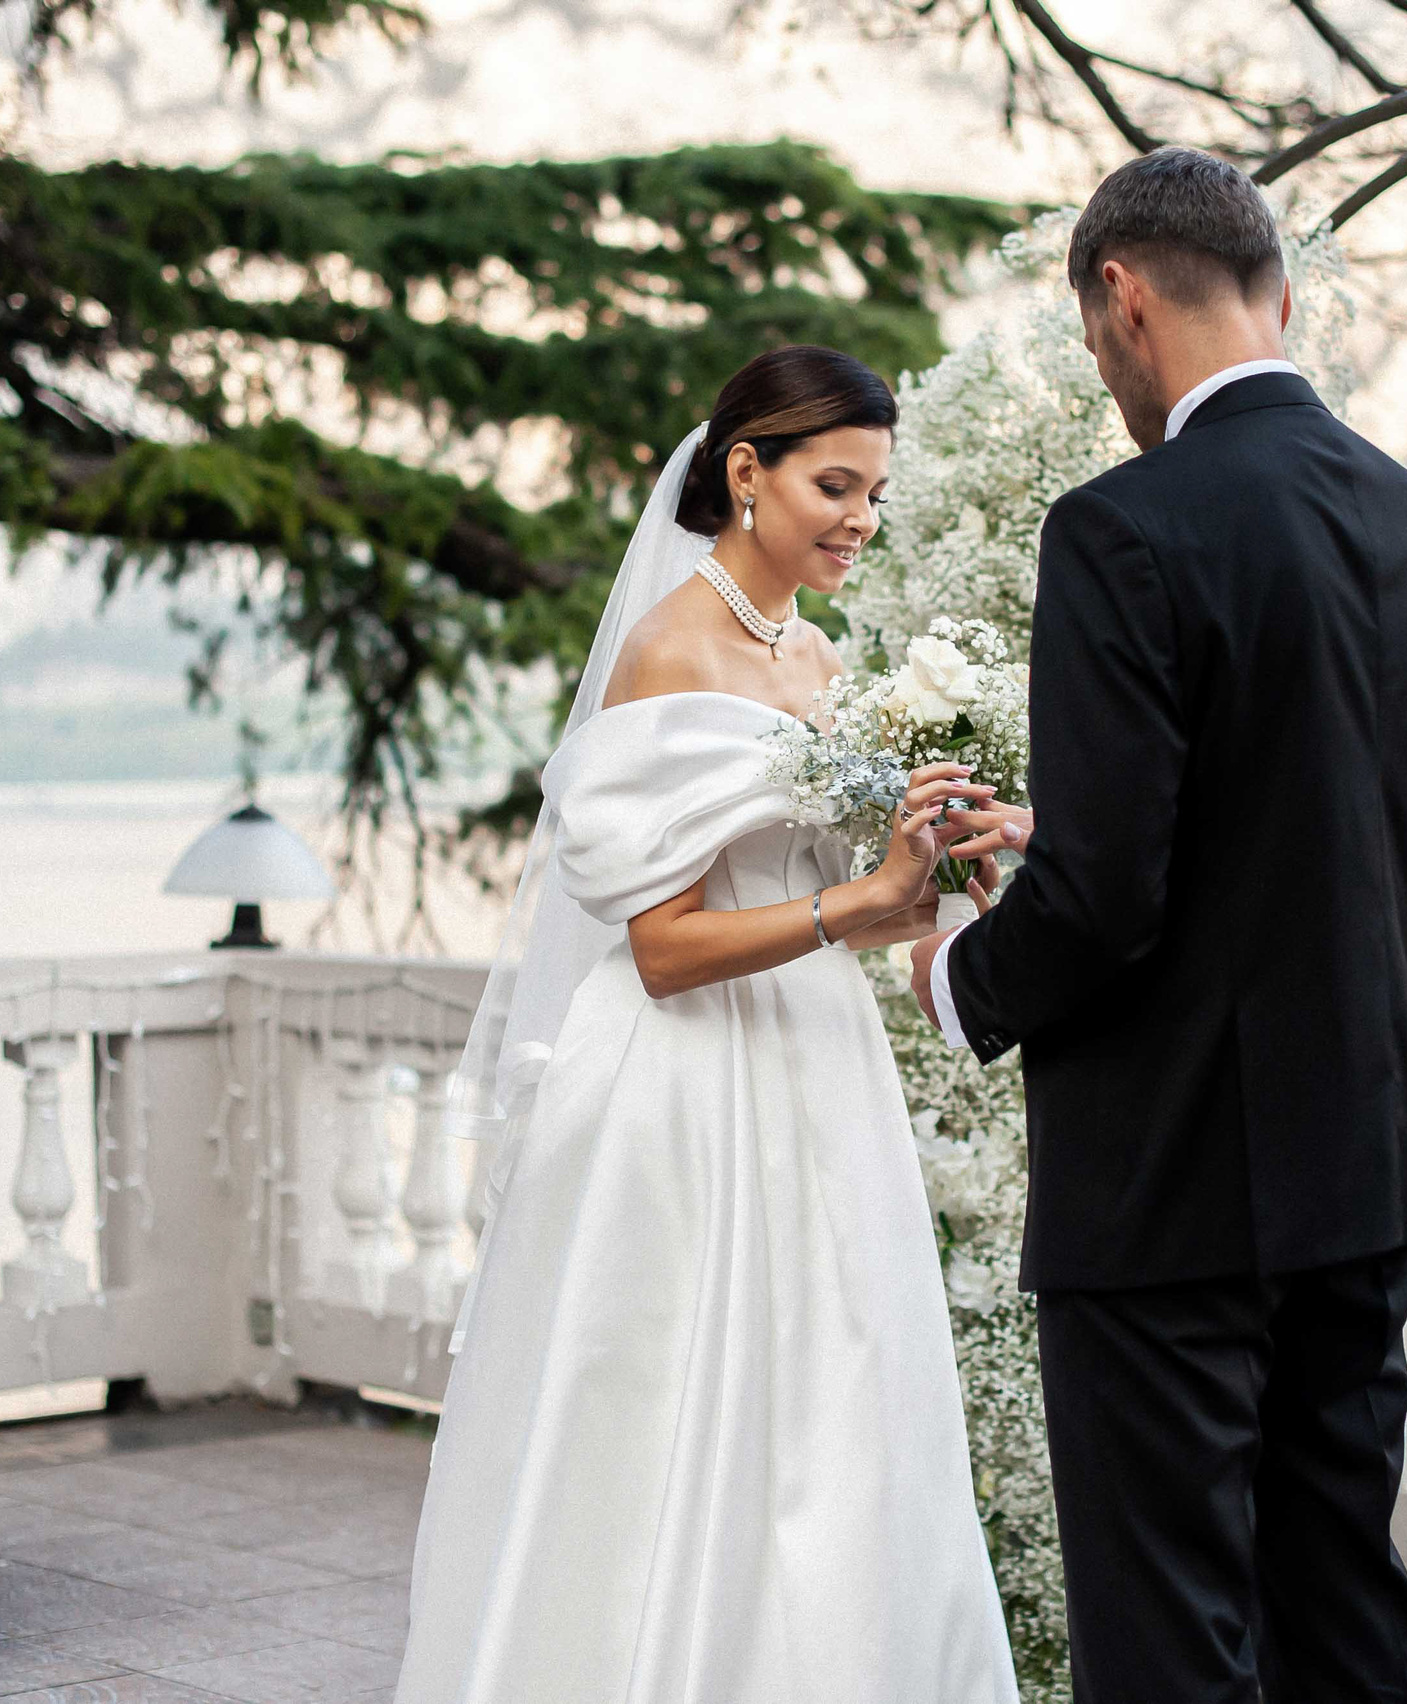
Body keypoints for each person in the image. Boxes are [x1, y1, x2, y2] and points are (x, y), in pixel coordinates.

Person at [910, 147, 1407, 1704]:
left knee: (1171, 1629)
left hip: (1169, 1183)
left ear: (1119, 299)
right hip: (1362, 1169)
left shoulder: (1121, 530)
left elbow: (1104, 905)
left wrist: (958, 978)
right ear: (1280, 297)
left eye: (1092, 335)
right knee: (1340, 1605)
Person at [399, 346, 1021, 1704]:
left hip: (815, 1071)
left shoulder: (819, 654)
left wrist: (937, 871)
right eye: (834, 485)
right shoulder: (671, 647)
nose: (860, 518)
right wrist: (855, 906)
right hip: (684, 1089)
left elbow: (849, 888)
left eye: (875, 493)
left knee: (838, 1420)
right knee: (670, 1430)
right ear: (747, 471)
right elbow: (667, 948)